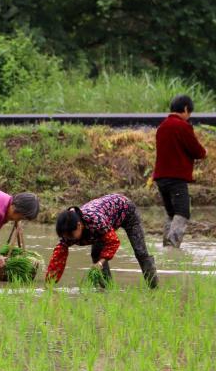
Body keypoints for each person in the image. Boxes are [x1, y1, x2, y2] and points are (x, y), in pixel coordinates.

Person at [45, 194, 159, 289]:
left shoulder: (95, 222)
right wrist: (49, 284)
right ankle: (106, 289)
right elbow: (58, 258)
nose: (68, 239)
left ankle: (154, 288)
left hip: (127, 210)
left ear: (79, 225)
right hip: (106, 216)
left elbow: (113, 242)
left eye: (71, 236)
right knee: (96, 254)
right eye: (65, 236)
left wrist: (100, 263)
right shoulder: (69, 229)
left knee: (140, 252)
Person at [153, 94, 206, 248]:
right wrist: (205, 153)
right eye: (189, 112)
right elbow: (196, 150)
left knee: (171, 213)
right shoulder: (182, 126)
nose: (189, 116)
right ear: (185, 109)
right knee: (182, 212)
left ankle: (166, 248)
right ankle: (172, 248)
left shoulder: (162, 127)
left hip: (161, 178)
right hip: (175, 178)